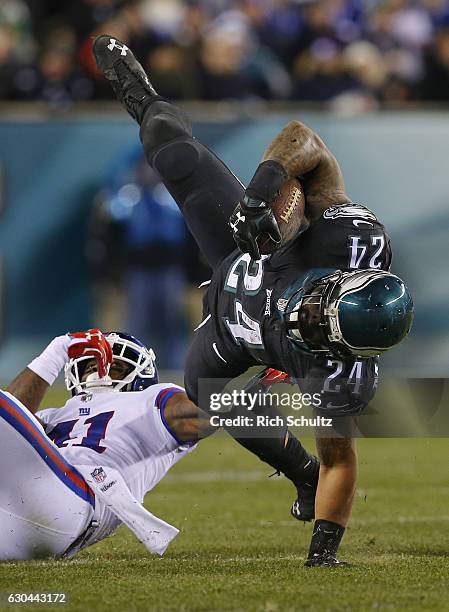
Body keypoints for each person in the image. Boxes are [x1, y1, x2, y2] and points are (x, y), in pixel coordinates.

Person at [92, 35, 414, 567]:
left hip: (234, 336)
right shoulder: (344, 236)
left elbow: (343, 462)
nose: (306, 313)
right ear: (340, 280)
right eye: (319, 302)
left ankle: (300, 474)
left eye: (315, 325)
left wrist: (323, 555)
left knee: (213, 399)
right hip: (246, 254)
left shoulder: (339, 377)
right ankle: (141, 94)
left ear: (338, 349)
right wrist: (263, 193)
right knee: (171, 147)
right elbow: (303, 139)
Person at [0, 329, 211, 560]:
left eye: (115, 365)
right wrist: (61, 350)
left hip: (77, 501)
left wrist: (57, 350)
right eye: (91, 364)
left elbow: (207, 415)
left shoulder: (150, 399)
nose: (99, 369)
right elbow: (12, 420)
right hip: (23, 517)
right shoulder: (52, 416)